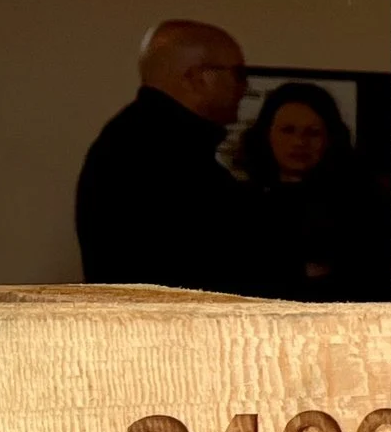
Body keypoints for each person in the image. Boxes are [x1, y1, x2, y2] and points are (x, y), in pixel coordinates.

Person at [74, 20, 255, 291]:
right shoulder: (153, 151)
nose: (245, 87)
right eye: (239, 74)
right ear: (197, 77)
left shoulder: (138, 138)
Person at [233, 81, 379, 300]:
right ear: (266, 134)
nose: (299, 142)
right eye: (288, 130)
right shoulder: (241, 202)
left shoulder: (360, 206)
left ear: (330, 139)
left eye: (313, 133)